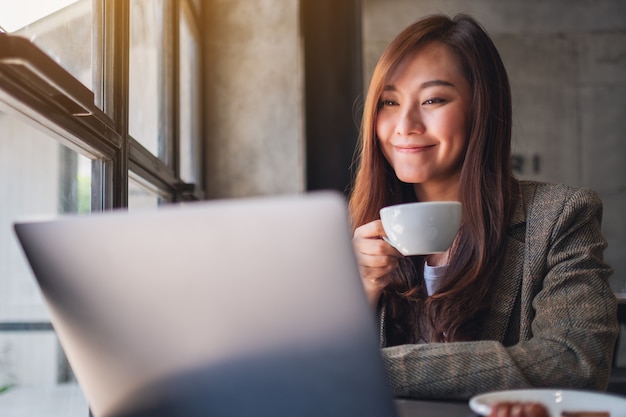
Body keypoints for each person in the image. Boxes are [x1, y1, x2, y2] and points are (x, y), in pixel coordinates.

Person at [349, 13, 619, 400]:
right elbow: (307, 367)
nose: (404, 124)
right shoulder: (352, 233)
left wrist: (375, 370)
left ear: (480, 107)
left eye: (433, 99)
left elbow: (576, 361)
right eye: (389, 102)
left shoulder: (560, 216)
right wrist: (362, 290)